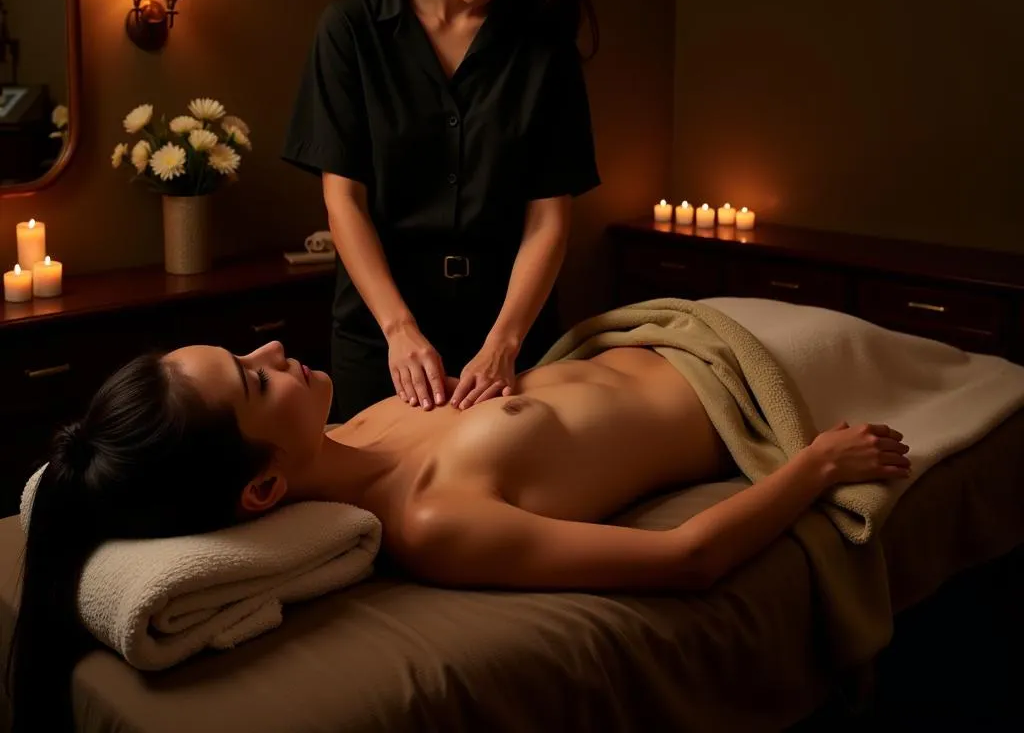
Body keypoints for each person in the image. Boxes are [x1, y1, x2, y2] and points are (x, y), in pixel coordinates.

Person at [6, 338, 911, 732]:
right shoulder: (432, 520)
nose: (275, 355)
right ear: (265, 487)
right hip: (749, 389)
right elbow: (689, 558)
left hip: (665, 334)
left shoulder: (354, 427)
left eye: (245, 354)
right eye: (253, 380)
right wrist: (815, 471)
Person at [282, 0, 600, 422]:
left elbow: (549, 220)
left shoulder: (544, 54)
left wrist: (503, 345)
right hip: (381, 330)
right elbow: (343, 200)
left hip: (509, 332)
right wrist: (400, 330)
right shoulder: (352, 31)